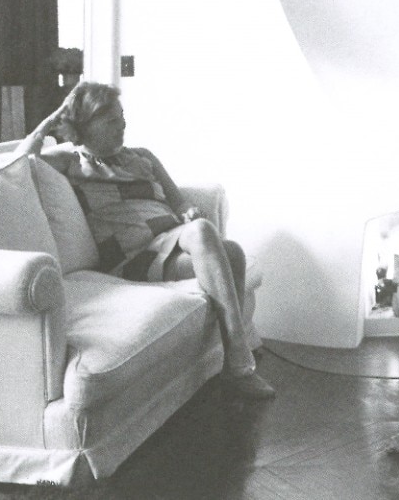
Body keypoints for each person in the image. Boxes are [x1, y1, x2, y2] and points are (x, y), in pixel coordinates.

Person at [15, 81, 276, 400]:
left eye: (122, 117)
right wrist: (53, 119)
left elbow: (178, 201)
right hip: (131, 258)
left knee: (232, 251)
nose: (122, 126)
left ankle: (228, 362)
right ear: (84, 126)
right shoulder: (70, 162)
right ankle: (240, 362)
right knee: (206, 234)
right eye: (112, 120)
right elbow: (20, 162)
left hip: (168, 241)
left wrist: (188, 210)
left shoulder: (142, 157)